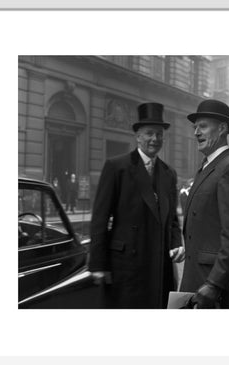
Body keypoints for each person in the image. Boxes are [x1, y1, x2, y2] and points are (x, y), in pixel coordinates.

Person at [89, 102, 184, 309]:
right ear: (138, 136)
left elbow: (173, 219)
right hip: (126, 264)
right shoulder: (117, 167)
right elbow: (100, 217)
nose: (155, 139)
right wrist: (98, 263)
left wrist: (176, 243)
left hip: (159, 263)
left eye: (159, 134)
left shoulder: (168, 173)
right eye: (149, 133)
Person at [180, 99, 229, 309]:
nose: (196, 132)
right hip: (199, 277)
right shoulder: (209, 166)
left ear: (221, 129)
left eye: (203, 126)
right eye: (195, 127)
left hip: (216, 287)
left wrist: (215, 284)